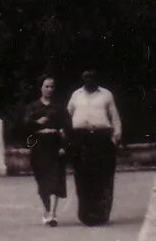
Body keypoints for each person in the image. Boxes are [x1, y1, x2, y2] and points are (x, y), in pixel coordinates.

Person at [66, 70, 121, 227]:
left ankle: (101, 214)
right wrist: (66, 136)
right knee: (82, 177)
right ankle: (85, 215)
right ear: (83, 79)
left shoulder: (106, 95)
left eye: (92, 77)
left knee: (102, 177)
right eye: (86, 77)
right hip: (81, 139)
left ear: (97, 79)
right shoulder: (76, 95)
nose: (89, 80)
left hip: (101, 138)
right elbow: (67, 115)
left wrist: (115, 137)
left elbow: (114, 117)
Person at [26, 75, 68, 226]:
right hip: (39, 145)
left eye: (52, 86)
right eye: (46, 86)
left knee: (56, 178)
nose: (49, 89)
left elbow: (66, 127)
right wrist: (37, 123)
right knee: (42, 180)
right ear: (41, 88)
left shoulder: (59, 107)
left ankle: (53, 214)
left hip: (55, 143)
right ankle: (46, 209)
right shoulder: (33, 107)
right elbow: (25, 127)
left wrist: (64, 145)